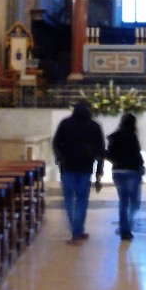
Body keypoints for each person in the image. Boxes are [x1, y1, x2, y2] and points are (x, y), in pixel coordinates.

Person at [51, 100, 105, 242]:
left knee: (69, 200)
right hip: (86, 167)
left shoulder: (65, 124)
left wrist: (59, 158)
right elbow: (101, 150)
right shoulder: (94, 126)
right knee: (81, 200)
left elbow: (56, 143)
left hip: (67, 166)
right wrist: (99, 172)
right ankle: (78, 230)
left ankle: (76, 230)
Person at [105, 112, 146, 241]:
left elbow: (110, 155)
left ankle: (124, 229)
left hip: (118, 171)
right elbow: (137, 154)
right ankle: (127, 224)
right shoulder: (132, 136)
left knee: (123, 201)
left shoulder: (114, 137)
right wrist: (141, 166)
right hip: (132, 171)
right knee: (134, 202)